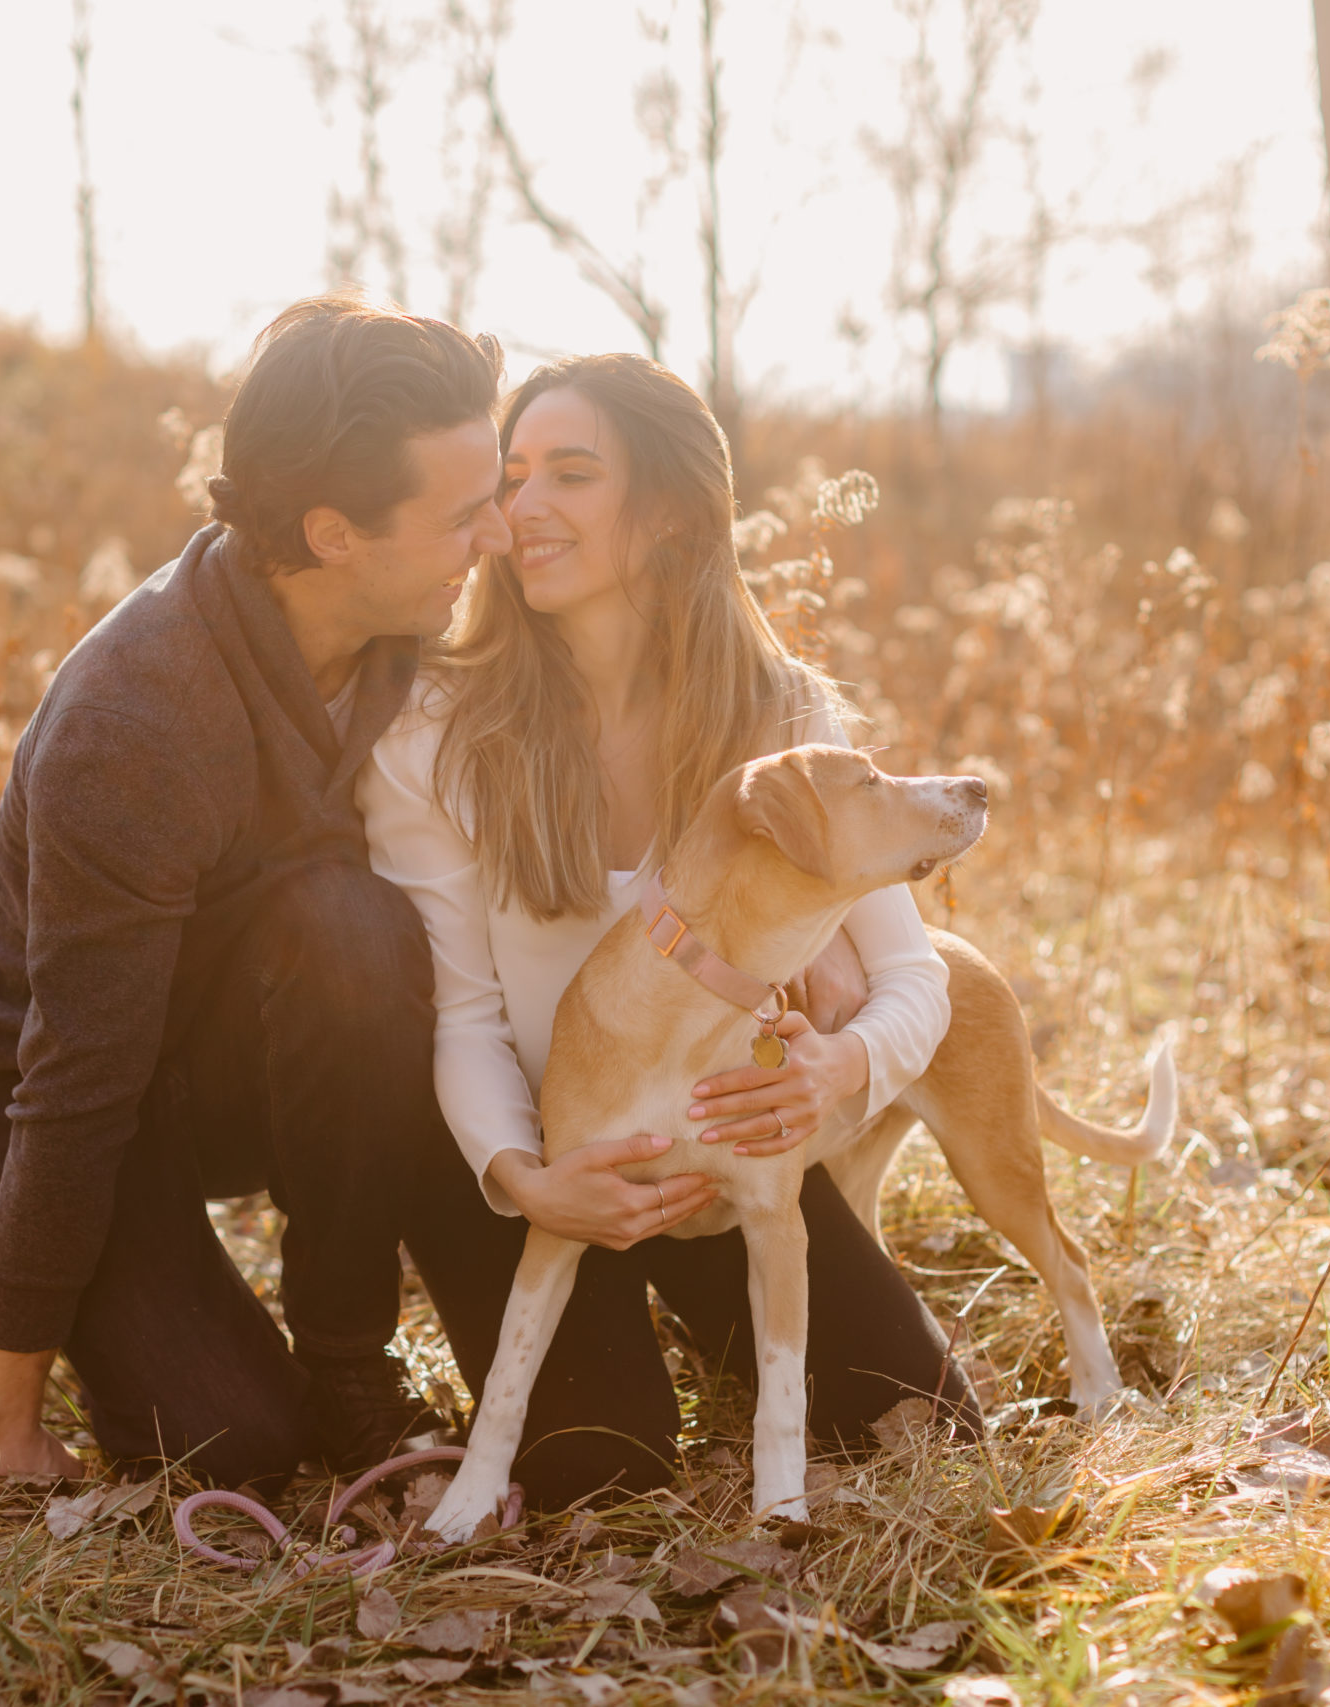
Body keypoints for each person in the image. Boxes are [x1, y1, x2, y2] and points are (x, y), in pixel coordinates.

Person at [361, 353, 976, 1509]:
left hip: (724, 1160)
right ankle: (608, 1340)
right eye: (514, 476)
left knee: (919, 1422)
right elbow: (462, 1012)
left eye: (572, 475)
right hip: (545, 1160)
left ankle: (724, 1329)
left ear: (670, 515)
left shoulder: (782, 719)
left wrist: (836, 1069)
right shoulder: (439, 733)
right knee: (599, 1471)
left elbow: (913, 977)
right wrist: (524, 1180)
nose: (522, 506)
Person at [0, 295, 521, 1487]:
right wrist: (3, 1416)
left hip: (241, 1037)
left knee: (351, 927)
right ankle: (188, 1357)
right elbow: (76, 1076)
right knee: (235, 1443)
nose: (499, 537)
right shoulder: (139, 720)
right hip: (71, 1085)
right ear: (332, 533)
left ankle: (350, 1364)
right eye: (466, 513)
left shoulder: (409, 633)